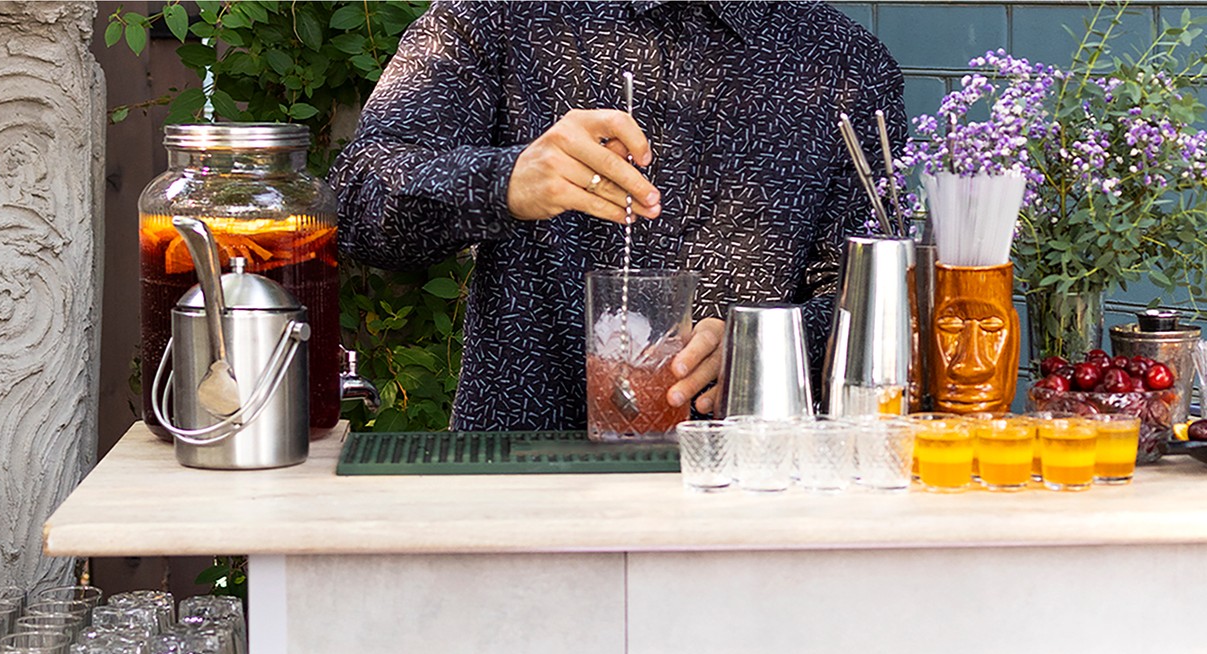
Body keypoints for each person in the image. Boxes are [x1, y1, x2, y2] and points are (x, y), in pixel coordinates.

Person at [332, 1, 905, 431]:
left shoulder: (844, 64)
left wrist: (765, 342)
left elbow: (872, 302)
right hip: (522, 482)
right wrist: (504, 180)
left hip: (750, 489)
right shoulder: (497, 16)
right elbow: (359, 200)